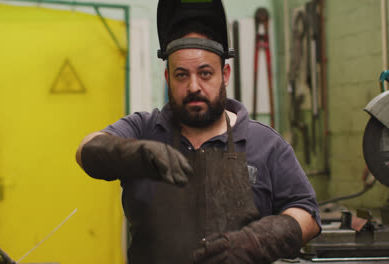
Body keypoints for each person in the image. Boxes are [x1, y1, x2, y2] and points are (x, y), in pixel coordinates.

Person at [76, 1, 320, 263]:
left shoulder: (266, 143)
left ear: (224, 74)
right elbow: (85, 151)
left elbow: (307, 214)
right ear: (168, 78)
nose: (194, 86)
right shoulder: (143, 129)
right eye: (182, 75)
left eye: (205, 73)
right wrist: (132, 152)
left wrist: (257, 241)